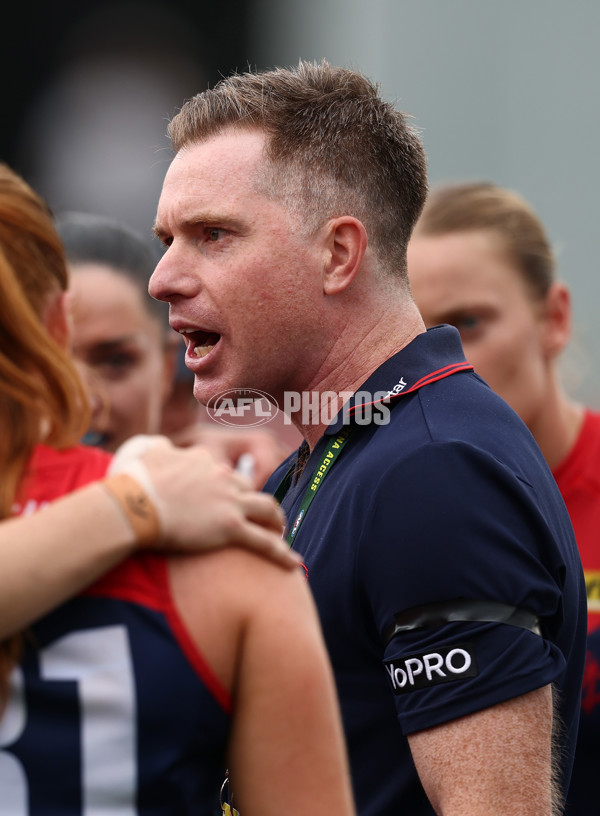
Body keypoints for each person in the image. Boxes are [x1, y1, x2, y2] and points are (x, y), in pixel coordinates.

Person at [149, 59, 587, 815]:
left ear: (339, 254)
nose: (163, 277)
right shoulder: (341, 455)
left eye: (212, 235)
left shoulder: (435, 469)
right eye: (166, 239)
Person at [0, 162, 356, 815]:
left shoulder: (233, 514)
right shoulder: (234, 557)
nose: (85, 395)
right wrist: (135, 502)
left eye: (115, 359)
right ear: (56, 325)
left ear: (171, 368)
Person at [406, 180, 600, 816]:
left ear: (555, 318)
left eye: (468, 323)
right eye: (419, 333)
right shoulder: (392, 504)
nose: (443, 359)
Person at [55, 210, 295, 486]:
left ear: (166, 368)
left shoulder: (229, 498)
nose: (80, 402)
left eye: (115, 362)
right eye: (44, 361)